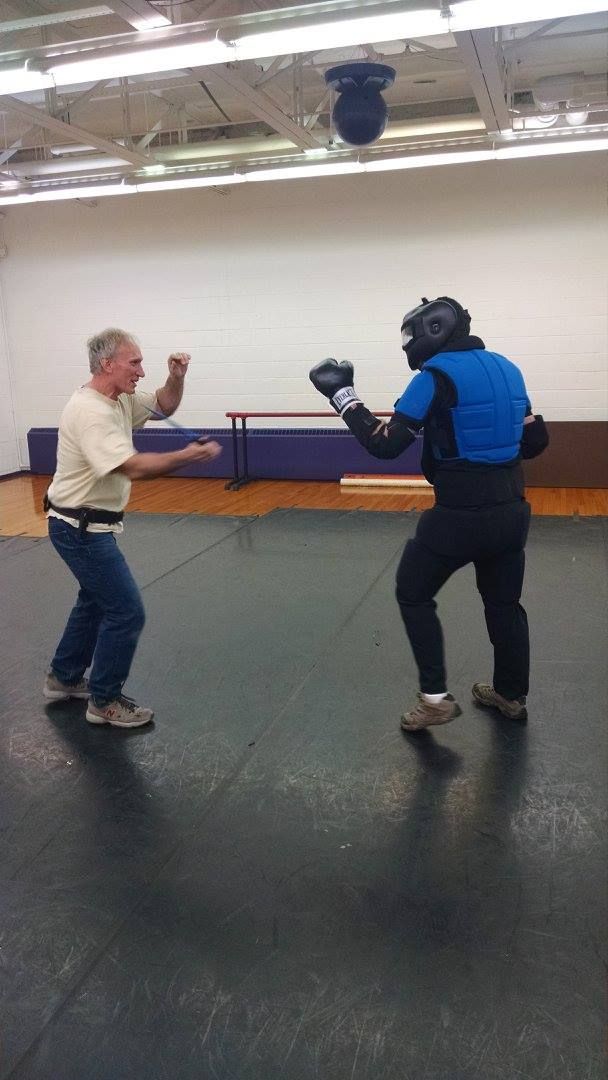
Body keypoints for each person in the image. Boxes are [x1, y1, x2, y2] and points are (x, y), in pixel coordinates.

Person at [310, 296, 549, 732]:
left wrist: (342, 396)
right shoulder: (509, 369)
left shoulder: (435, 376)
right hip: (513, 510)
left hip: (459, 513)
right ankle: (511, 695)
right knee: (504, 603)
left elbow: (385, 444)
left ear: (434, 330)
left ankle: (435, 699)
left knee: (412, 590)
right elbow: (536, 442)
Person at [43, 328, 221, 728]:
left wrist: (176, 377)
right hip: (79, 528)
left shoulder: (118, 398)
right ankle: (104, 701)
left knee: (94, 601)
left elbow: (163, 405)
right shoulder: (91, 412)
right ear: (108, 364)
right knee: (125, 612)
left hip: (86, 523)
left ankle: (64, 678)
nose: (141, 371)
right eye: (135, 362)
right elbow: (133, 467)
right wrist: (188, 457)